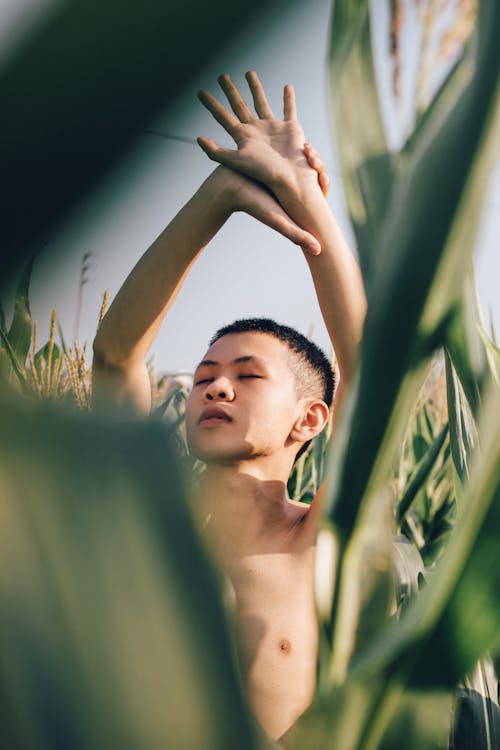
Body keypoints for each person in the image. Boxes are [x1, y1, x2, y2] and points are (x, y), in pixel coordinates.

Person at [92, 71, 367, 743]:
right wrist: (219, 194)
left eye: (248, 376)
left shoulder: (320, 538)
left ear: (308, 419)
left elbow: (370, 370)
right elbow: (115, 357)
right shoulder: (152, 526)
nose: (215, 387)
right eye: (207, 375)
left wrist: (304, 195)